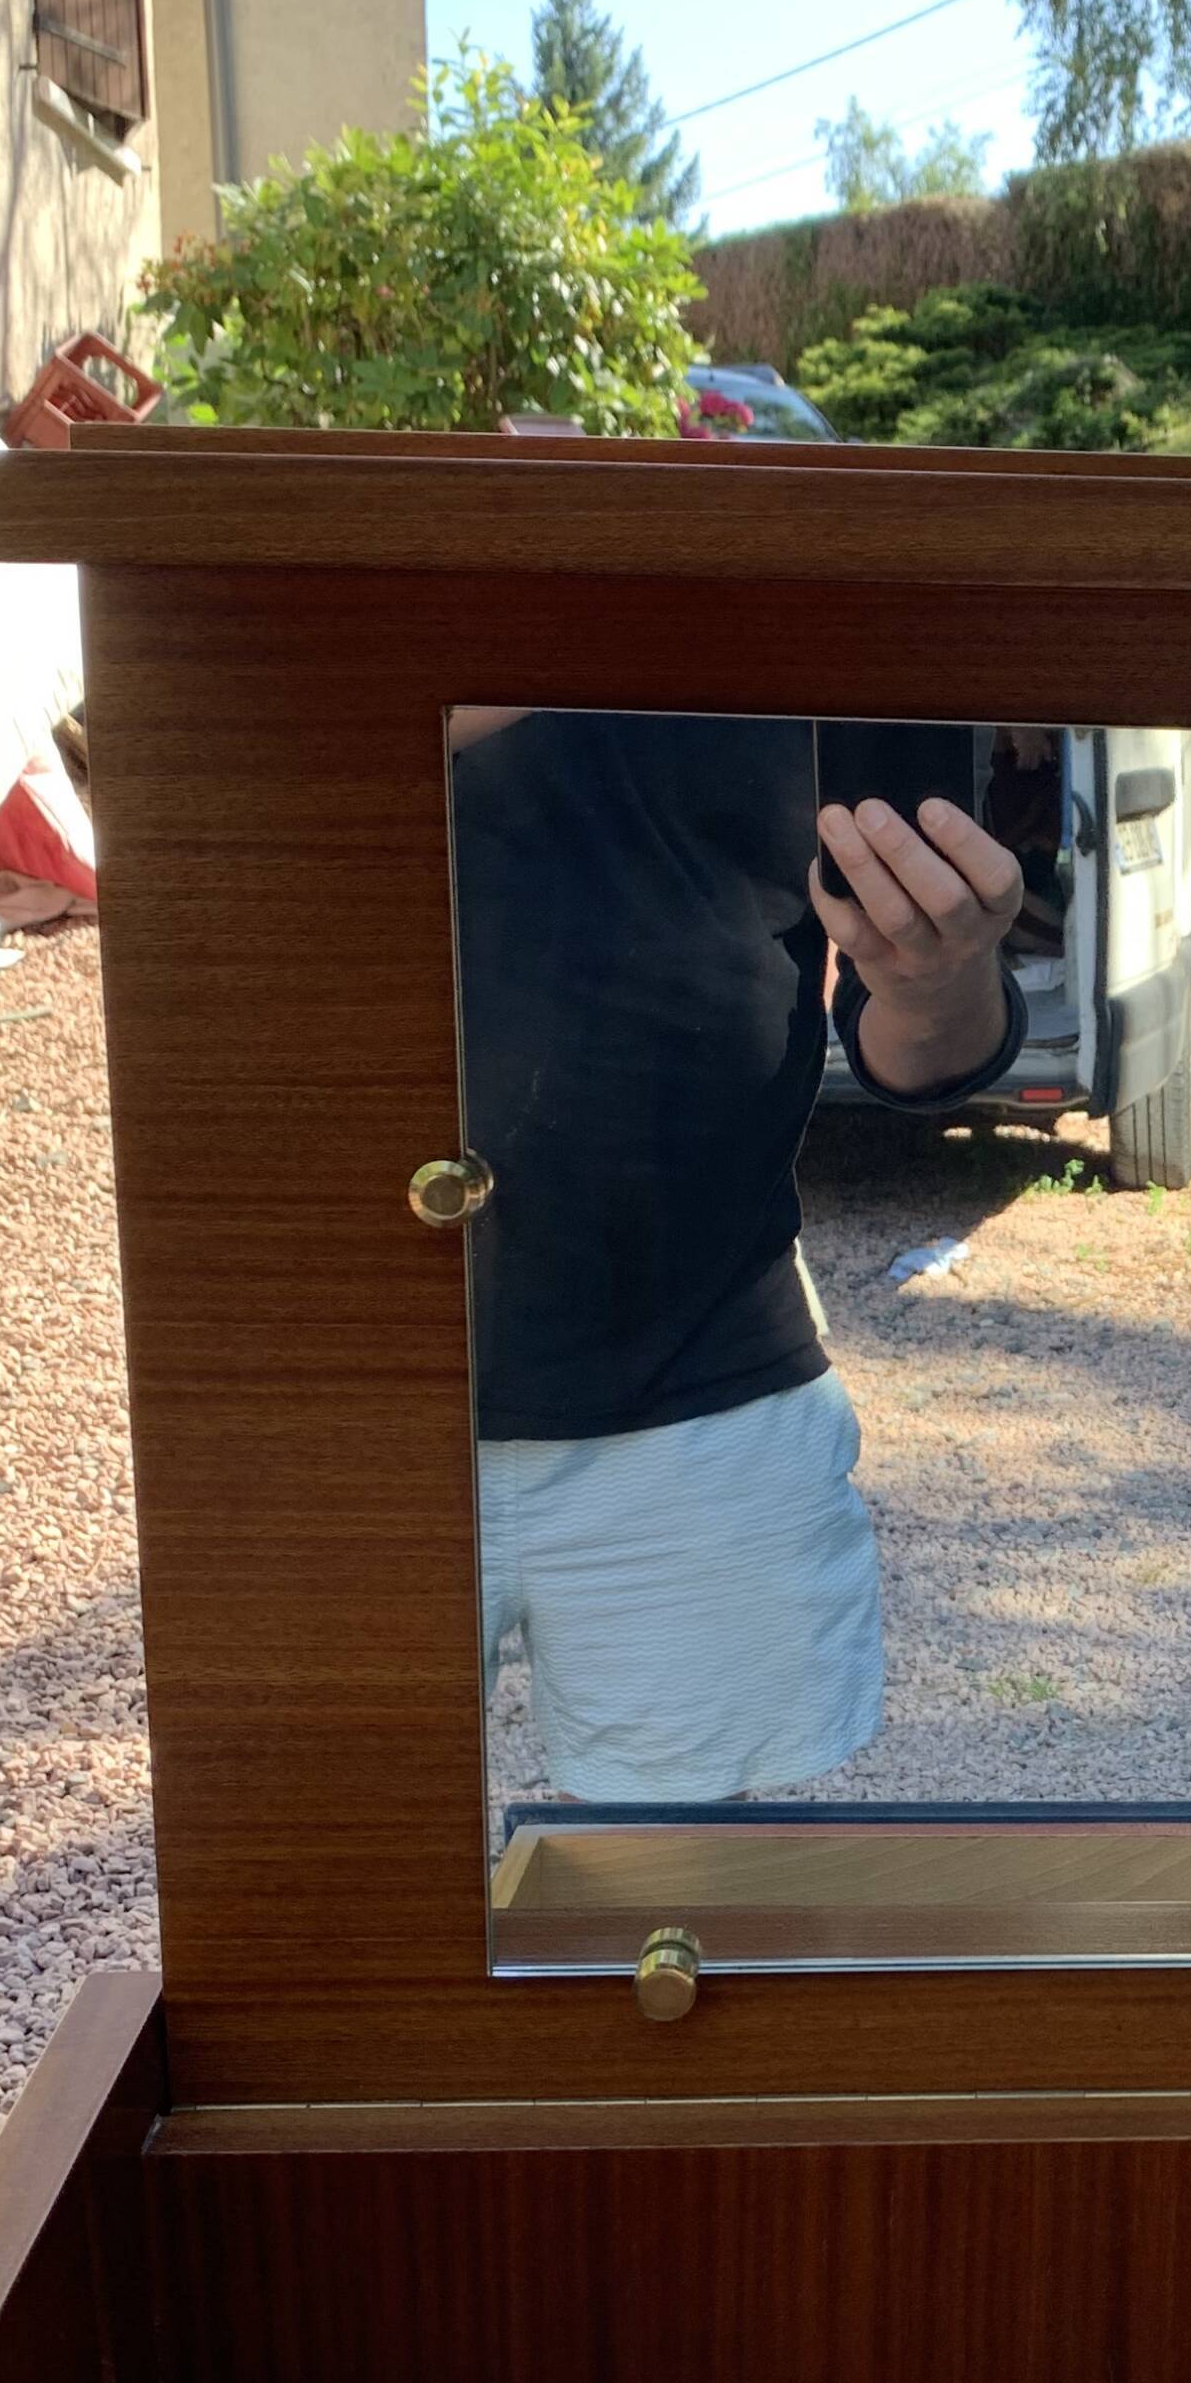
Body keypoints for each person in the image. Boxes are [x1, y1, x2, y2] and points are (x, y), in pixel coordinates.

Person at [448, 709, 1028, 1800]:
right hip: (321, 1402)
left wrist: (934, 980)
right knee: (330, 1915)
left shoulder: (826, 597)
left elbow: (919, 1051)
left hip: (699, 1395)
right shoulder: (321, 560)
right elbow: (155, 769)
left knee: (680, 1925)